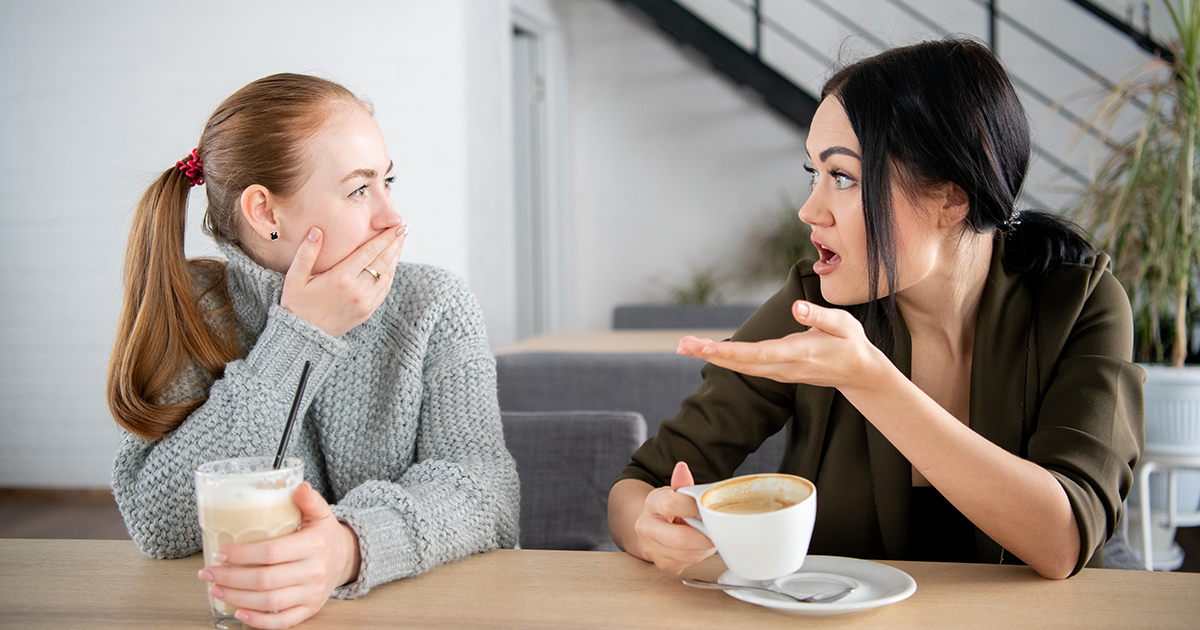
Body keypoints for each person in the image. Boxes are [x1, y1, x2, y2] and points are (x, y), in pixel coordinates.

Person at [608, 38, 1144, 580]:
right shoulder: (813, 304)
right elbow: (639, 485)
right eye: (814, 174)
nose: (809, 209)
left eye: (842, 177)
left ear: (952, 198)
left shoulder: (1081, 305)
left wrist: (870, 382)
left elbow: (1063, 541)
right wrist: (650, 527)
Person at [108, 73, 520, 629]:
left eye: (387, 181)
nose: (392, 218)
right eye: (358, 189)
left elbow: (487, 494)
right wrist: (298, 336)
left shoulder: (435, 304)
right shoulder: (191, 309)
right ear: (265, 213)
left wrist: (347, 547)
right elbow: (158, 523)